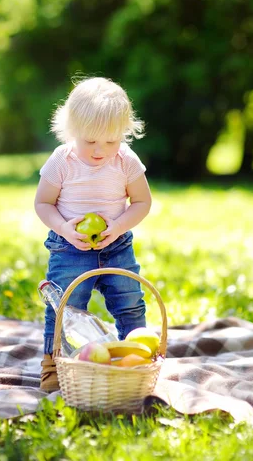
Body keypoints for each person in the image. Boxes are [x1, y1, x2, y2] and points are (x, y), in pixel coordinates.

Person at [34, 76, 152, 392]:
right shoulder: (62, 160)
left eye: (110, 141)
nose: (100, 151)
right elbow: (43, 203)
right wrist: (63, 228)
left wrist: (118, 227)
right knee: (64, 309)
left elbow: (142, 201)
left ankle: (136, 362)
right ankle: (54, 367)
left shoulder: (126, 160)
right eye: (90, 141)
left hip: (116, 247)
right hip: (69, 247)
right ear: (72, 131)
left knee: (130, 303)